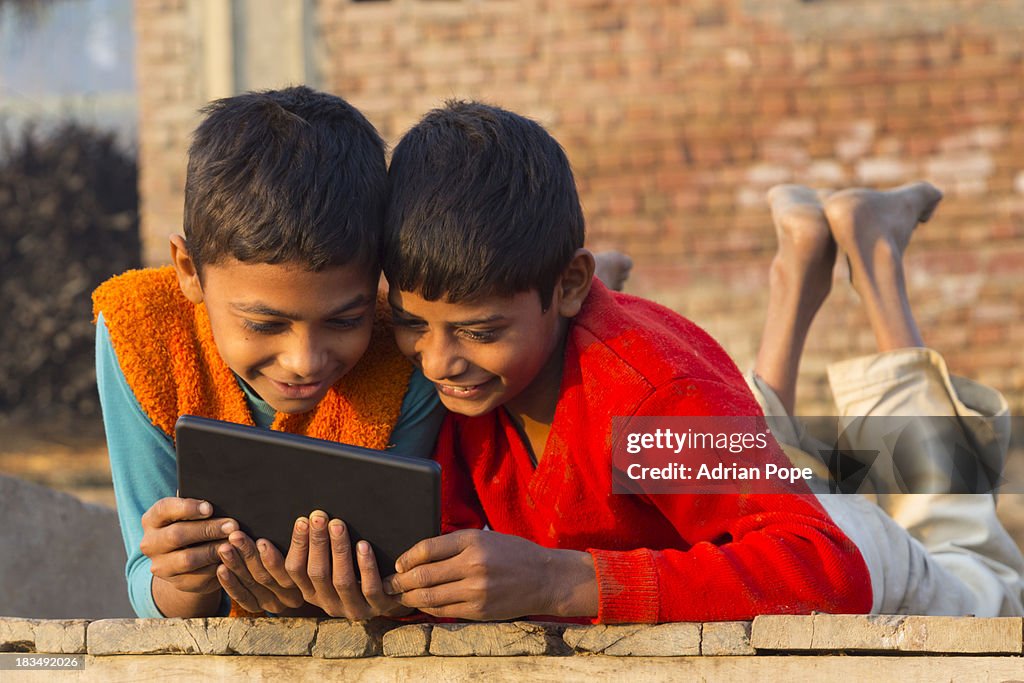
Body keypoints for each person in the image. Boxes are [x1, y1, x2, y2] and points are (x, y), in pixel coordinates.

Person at [366, 101, 872, 623]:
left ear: (567, 284)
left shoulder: (650, 398)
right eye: (412, 324)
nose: (437, 363)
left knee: (953, 531)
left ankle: (863, 258)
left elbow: (829, 572)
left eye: (479, 331)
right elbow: (446, 535)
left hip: (857, 542)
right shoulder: (459, 381)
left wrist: (558, 581)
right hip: (720, 462)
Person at [93, 86, 446, 619]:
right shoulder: (141, 332)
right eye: (264, 323)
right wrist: (182, 583)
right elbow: (147, 580)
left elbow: (401, 563)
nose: (304, 360)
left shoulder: (406, 352)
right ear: (189, 272)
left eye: (346, 320)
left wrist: (367, 600)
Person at [750, 182, 1024, 616]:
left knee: (958, 553)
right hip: (782, 560)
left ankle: (836, 263)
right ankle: (867, 257)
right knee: (970, 571)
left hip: (803, 565)